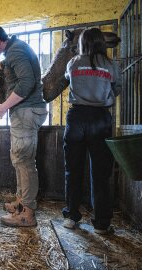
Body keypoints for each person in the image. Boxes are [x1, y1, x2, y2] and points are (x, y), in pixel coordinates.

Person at [0, 25, 47, 227]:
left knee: (24, 160)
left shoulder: (16, 50)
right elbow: (9, 66)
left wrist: (3, 106)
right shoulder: (15, 50)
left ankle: (27, 213)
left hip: (26, 111)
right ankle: (21, 202)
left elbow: (26, 83)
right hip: (25, 111)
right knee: (19, 158)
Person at [61, 28, 122, 234]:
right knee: (101, 173)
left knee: (73, 169)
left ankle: (71, 216)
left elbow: (68, 80)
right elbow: (117, 89)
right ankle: (102, 223)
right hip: (100, 118)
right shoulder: (112, 65)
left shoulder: (73, 63)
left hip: (77, 117)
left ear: (82, 43)